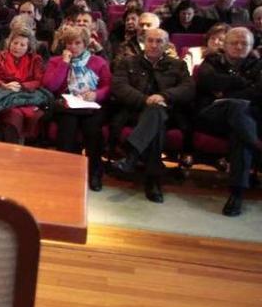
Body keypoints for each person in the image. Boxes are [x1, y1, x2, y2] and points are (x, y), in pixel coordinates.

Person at [111, 28, 195, 203]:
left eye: (159, 41)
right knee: (156, 121)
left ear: (167, 44)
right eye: (151, 41)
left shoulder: (178, 65)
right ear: (144, 42)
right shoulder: (128, 62)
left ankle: (131, 156)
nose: (154, 45)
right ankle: (153, 181)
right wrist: (145, 100)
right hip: (134, 112)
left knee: (157, 115)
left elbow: (188, 88)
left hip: (169, 115)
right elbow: (119, 87)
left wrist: (164, 96)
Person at [194, 27, 262, 216]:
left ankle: (236, 194)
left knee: (238, 131)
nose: (239, 46)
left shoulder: (258, 64)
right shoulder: (211, 61)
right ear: (224, 44)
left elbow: (259, 92)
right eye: (234, 43)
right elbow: (209, 81)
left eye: (244, 43)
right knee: (238, 107)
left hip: (241, 122)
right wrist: (243, 83)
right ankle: (256, 144)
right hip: (213, 116)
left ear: (251, 46)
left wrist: (227, 91)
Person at [42, 26, 111, 191]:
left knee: (92, 130)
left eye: (77, 43)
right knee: (67, 127)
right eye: (69, 43)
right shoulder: (56, 61)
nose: (73, 47)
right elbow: (51, 85)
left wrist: (96, 94)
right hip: (67, 106)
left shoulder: (98, 62)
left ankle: (94, 173)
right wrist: (65, 64)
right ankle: (67, 172)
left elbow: (108, 86)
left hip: (91, 106)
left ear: (85, 44)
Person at [0, 26, 47, 143]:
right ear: (9, 43)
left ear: (29, 47)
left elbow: (39, 80)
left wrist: (22, 86)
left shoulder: (35, 59)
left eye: (22, 45)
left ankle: (15, 152)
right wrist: (3, 85)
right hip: (0, 94)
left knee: (15, 115)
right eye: (15, 43)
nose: (17, 47)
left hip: (23, 96)